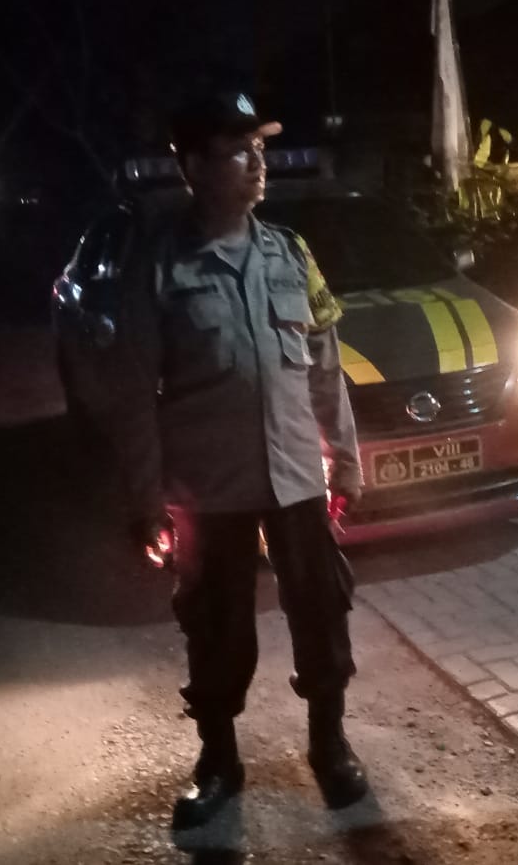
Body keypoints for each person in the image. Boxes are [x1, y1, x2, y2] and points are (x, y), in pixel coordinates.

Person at [115, 90, 369, 829]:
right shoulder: (158, 264)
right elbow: (133, 393)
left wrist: (345, 458)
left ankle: (330, 745)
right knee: (215, 624)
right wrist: (145, 499)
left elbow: (326, 365)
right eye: (238, 150)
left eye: (260, 148)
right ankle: (219, 761)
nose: (258, 163)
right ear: (193, 165)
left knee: (322, 609)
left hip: (296, 478)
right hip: (209, 487)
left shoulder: (291, 253)